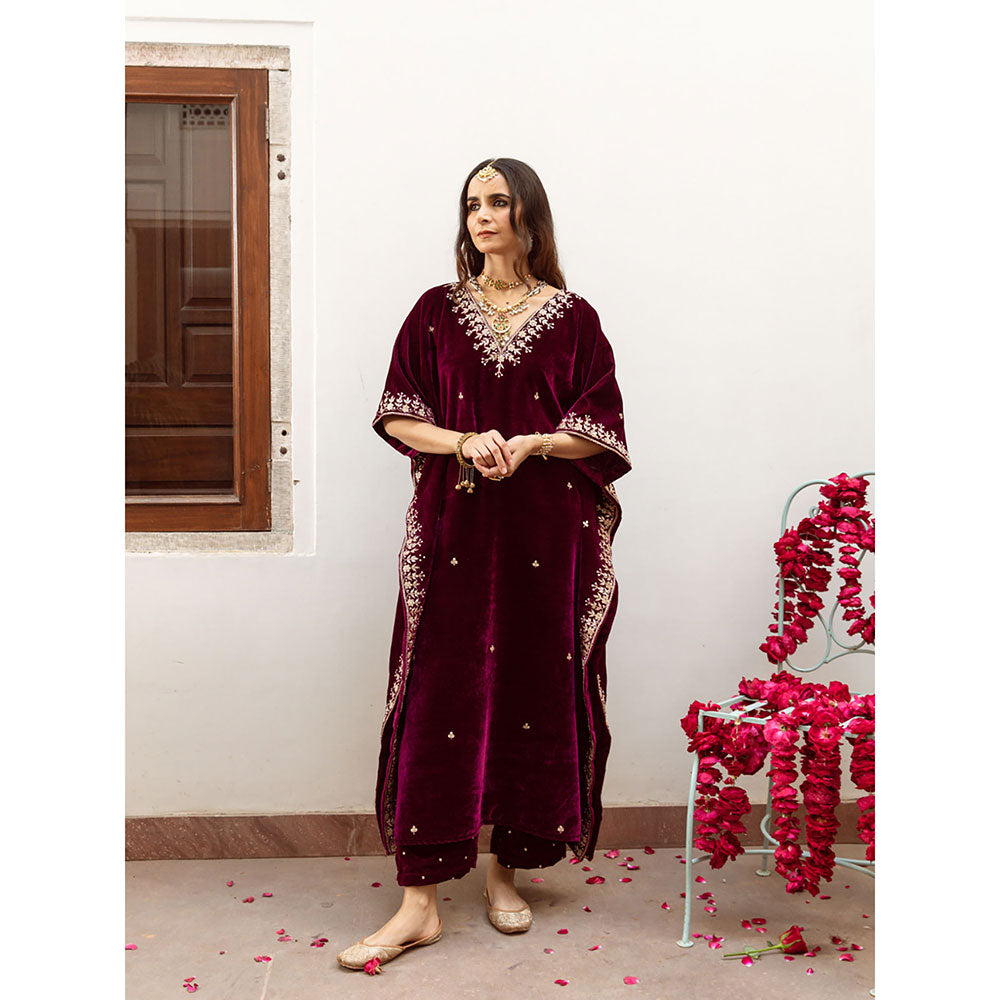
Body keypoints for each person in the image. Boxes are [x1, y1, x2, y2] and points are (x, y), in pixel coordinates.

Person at [338, 157, 632, 972]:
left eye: (499, 201)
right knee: (438, 691)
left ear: (529, 214)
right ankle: (419, 903)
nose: (483, 214)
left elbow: (601, 431)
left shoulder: (575, 319)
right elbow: (400, 417)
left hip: (546, 533)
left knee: (531, 689)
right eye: (473, 203)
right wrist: (466, 440)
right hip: (455, 527)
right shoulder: (434, 312)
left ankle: (507, 869)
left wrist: (534, 442)